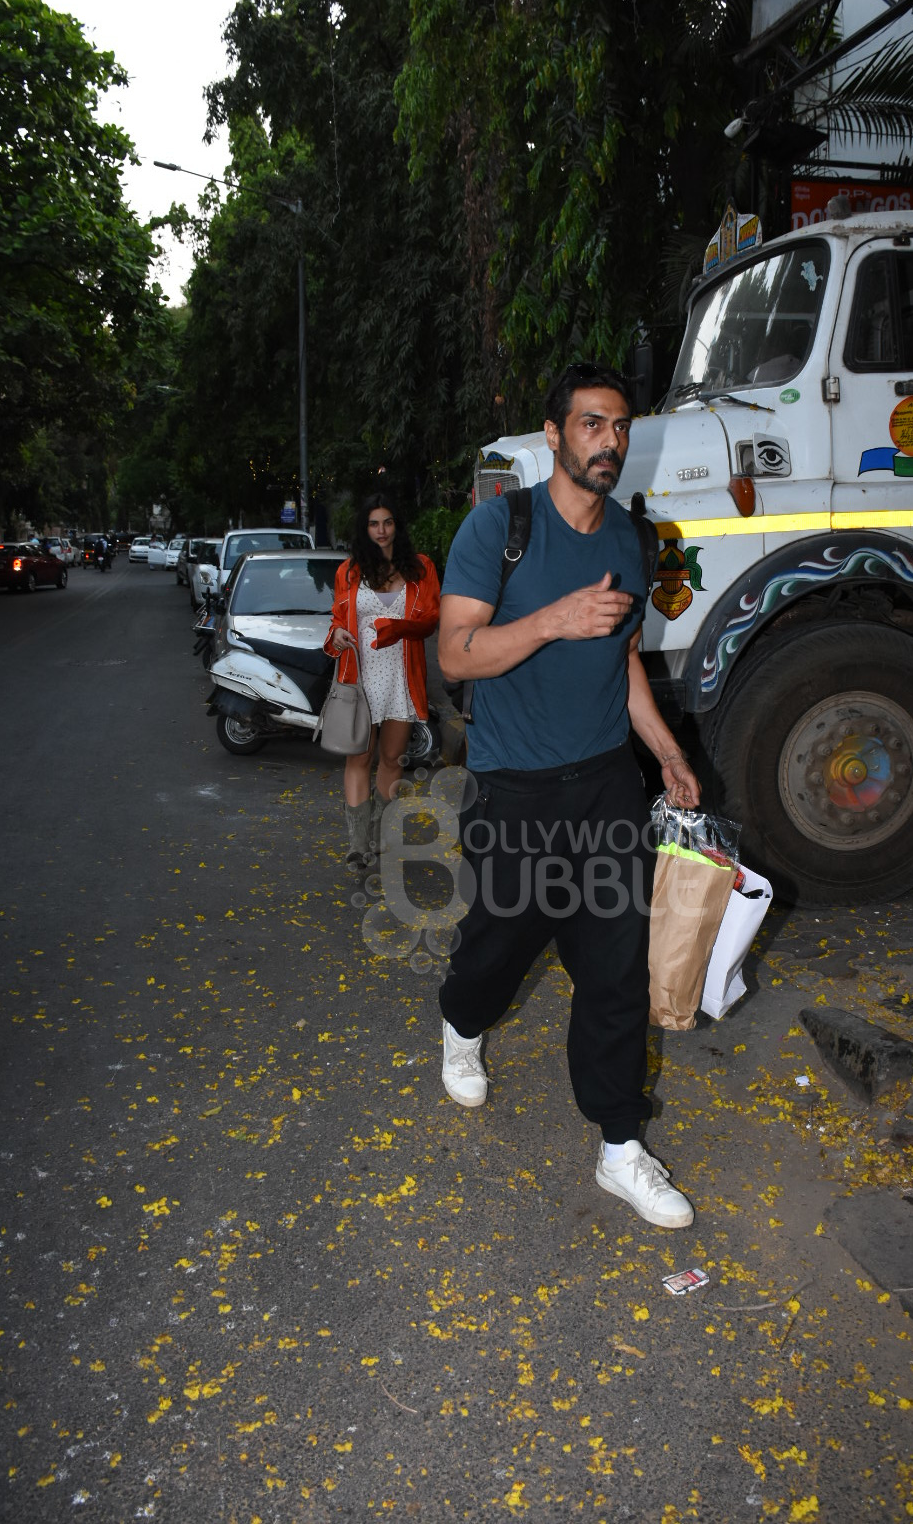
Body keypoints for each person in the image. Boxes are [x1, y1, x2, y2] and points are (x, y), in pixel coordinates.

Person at [436, 361, 702, 1229]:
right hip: (513, 786)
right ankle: (461, 1022)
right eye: (591, 424)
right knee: (497, 946)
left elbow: (621, 659)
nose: (609, 442)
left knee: (615, 967)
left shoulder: (632, 539)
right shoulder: (497, 529)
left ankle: (621, 1146)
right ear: (553, 435)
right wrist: (550, 619)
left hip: (604, 788)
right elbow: (455, 656)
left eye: (619, 426)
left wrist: (664, 751)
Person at [325, 494, 440, 865]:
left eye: (387, 523)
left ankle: (377, 839)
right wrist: (338, 635)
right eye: (374, 524)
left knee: (392, 758)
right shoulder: (349, 571)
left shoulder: (421, 569)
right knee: (359, 757)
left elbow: (431, 620)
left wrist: (399, 627)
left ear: (397, 526)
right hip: (360, 676)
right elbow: (338, 620)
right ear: (364, 529)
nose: (381, 531)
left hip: (402, 677)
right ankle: (358, 844)